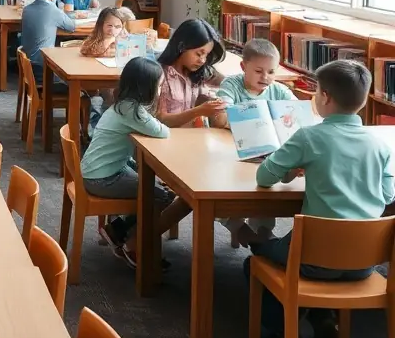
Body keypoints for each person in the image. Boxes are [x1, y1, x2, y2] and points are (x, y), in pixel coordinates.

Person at [248, 59, 394, 338]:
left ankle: (277, 330)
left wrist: (293, 167)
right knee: (306, 258)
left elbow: (264, 176)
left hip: (313, 259)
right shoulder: (380, 145)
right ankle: (320, 316)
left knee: (257, 252)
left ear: (324, 97)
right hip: (363, 264)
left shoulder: (309, 137)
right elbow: (387, 195)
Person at [79, 57, 191, 269]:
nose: (161, 89)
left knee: (157, 188)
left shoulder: (122, 105)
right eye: (159, 85)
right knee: (162, 196)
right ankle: (132, 245)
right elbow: (162, 131)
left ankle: (117, 230)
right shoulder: (134, 112)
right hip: (104, 178)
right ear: (147, 87)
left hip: (100, 170)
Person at [217, 38, 298, 247]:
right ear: (244, 67)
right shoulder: (231, 84)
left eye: (271, 72)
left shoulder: (279, 90)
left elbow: (296, 117)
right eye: (259, 71)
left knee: (267, 189)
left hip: (269, 155)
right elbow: (222, 116)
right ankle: (238, 227)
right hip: (233, 153)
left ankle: (262, 233)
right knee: (218, 191)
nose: (265, 77)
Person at [156, 18, 227, 128]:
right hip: (164, 140)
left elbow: (224, 82)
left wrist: (213, 102)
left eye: (206, 55)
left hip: (190, 137)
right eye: (199, 54)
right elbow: (161, 119)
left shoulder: (197, 73)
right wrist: (198, 111)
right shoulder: (160, 75)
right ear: (182, 46)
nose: (202, 60)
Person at [20, 0, 75, 90]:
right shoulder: (53, 10)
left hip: (29, 66)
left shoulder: (26, 9)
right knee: (77, 85)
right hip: (43, 69)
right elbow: (71, 27)